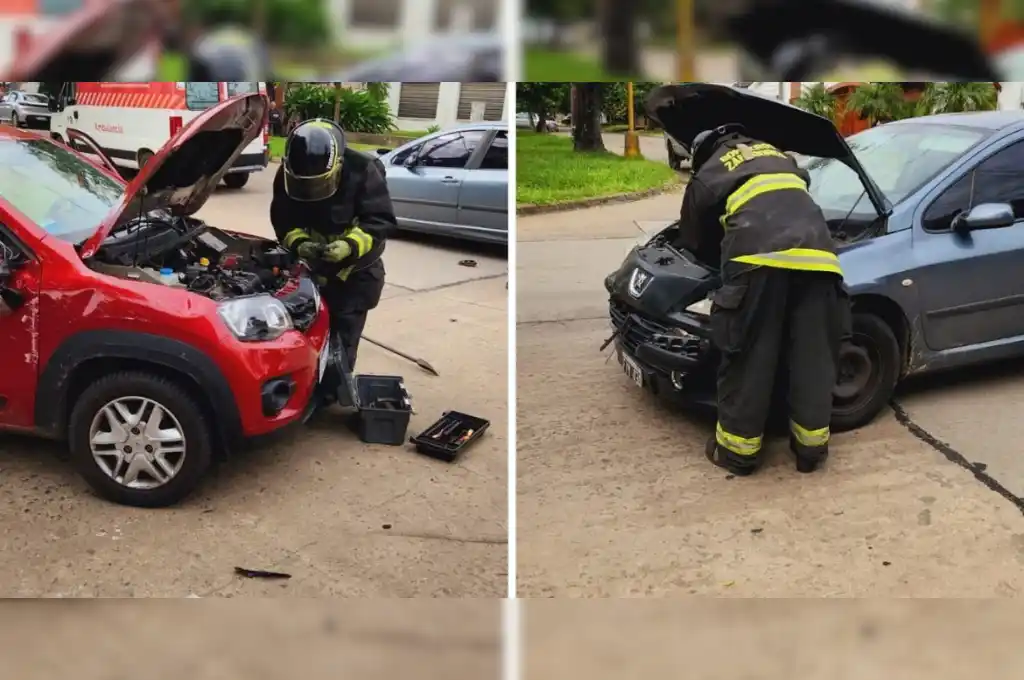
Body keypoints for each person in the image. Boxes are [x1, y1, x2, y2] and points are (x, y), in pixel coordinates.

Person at [675, 124, 851, 476]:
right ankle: (810, 452)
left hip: (758, 261)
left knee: (749, 355)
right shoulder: (780, 157)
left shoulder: (709, 171)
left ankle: (737, 455)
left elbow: (693, 241)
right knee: (813, 357)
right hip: (820, 259)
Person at [270, 118, 395, 386]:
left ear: (338, 164)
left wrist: (349, 246)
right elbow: (282, 219)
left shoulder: (364, 170)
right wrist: (300, 243)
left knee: (342, 342)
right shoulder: (289, 171)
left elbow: (379, 221)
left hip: (354, 276)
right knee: (304, 334)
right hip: (310, 270)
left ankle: (332, 391)